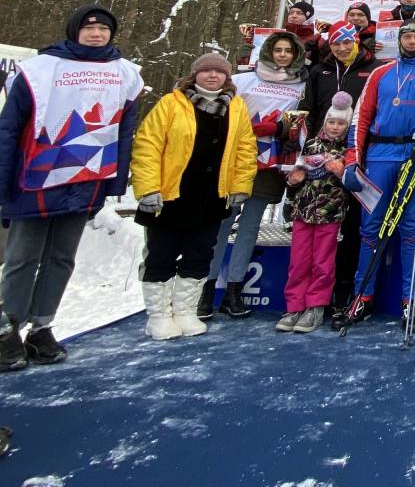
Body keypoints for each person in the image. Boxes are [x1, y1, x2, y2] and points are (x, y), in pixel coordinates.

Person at [0, 5, 144, 371]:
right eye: (89, 27)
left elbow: (124, 132)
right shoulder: (40, 69)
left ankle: (42, 325)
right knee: (22, 258)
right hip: (36, 177)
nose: (96, 33)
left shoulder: (125, 74)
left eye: (103, 28)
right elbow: (9, 127)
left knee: (61, 257)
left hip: (85, 179)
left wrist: (114, 182)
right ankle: (8, 330)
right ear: (74, 30)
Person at [130, 53, 257, 341]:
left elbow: (245, 151)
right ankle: (159, 315)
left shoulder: (236, 108)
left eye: (219, 72)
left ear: (227, 77)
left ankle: (186, 310)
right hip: (171, 195)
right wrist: (148, 188)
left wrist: (240, 186)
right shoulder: (171, 103)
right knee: (160, 255)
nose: (212, 76)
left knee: (200, 256)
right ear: (194, 75)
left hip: (211, 197)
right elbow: (147, 146)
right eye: (206, 71)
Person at [337, 21, 415, 331]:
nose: (412, 41)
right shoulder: (380, 72)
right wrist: (353, 160)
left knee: (410, 231)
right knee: (370, 228)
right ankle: (362, 297)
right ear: (399, 40)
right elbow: (361, 117)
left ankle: (410, 301)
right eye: (407, 36)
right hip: (379, 155)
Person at [200, 31, 307, 321]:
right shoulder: (243, 79)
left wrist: (284, 131)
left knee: (249, 226)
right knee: (222, 224)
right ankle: (207, 288)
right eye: (278, 50)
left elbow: (301, 124)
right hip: (236, 161)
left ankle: (234, 288)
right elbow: (221, 114)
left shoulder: (301, 85)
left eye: (288, 51)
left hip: (271, 164)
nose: (283, 55)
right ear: (268, 51)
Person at [299, 19, 383, 310]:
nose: (342, 48)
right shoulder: (319, 71)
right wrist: (305, 151)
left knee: (352, 223)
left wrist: (360, 152)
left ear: (357, 41)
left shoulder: (373, 70)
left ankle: (344, 291)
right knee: (320, 226)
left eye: (347, 42)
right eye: (336, 43)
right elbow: (307, 113)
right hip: (320, 156)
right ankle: (312, 294)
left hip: (356, 154)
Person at [277, 92, 355, 333]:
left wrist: (342, 171)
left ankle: (316, 305)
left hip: (330, 213)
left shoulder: (349, 149)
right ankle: (294, 305)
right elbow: (295, 175)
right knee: (299, 260)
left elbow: (355, 181)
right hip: (304, 211)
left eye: (341, 123)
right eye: (331, 122)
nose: (335, 127)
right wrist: (293, 179)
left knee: (322, 261)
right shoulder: (310, 144)